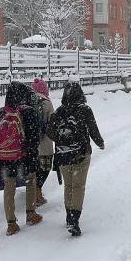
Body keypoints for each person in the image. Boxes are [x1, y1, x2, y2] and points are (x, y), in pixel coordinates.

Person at [47, 82, 105, 236]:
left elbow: (50, 132)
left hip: (63, 154)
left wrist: (62, 138)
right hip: (81, 154)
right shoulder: (85, 110)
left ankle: (68, 216)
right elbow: (93, 129)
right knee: (78, 187)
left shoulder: (58, 112)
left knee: (69, 186)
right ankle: (74, 220)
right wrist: (100, 142)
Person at [0, 82, 43, 236]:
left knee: (9, 187)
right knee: (31, 182)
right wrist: (25, 149)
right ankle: (31, 214)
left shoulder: (1, 112)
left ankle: (11, 224)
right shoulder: (29, 111)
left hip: (5, 159)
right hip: (25, 157)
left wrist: (7, 145)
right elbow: (34, 137)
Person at [31, 78, 55, 208]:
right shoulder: (46, 102)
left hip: (30, 144)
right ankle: (37, 191)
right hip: (45, 143)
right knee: (45, 168)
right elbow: (53, 122)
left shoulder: (27, 101)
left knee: (34, 168)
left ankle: (33, 191)